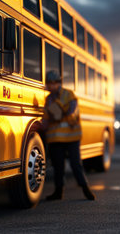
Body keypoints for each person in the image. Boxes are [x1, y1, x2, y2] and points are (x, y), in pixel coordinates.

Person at [43, 70, 95, 201]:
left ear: (58, 83)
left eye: (51, 83)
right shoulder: (48, 99)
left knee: (75, 164)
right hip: (55, 138)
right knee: (58, 166)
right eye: (48, 83)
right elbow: (48, 117)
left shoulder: (68, 94)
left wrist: (57, 111)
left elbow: (69, 113)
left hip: (72, 137)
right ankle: (58, 192)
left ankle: (85, 189)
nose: (49, 86)